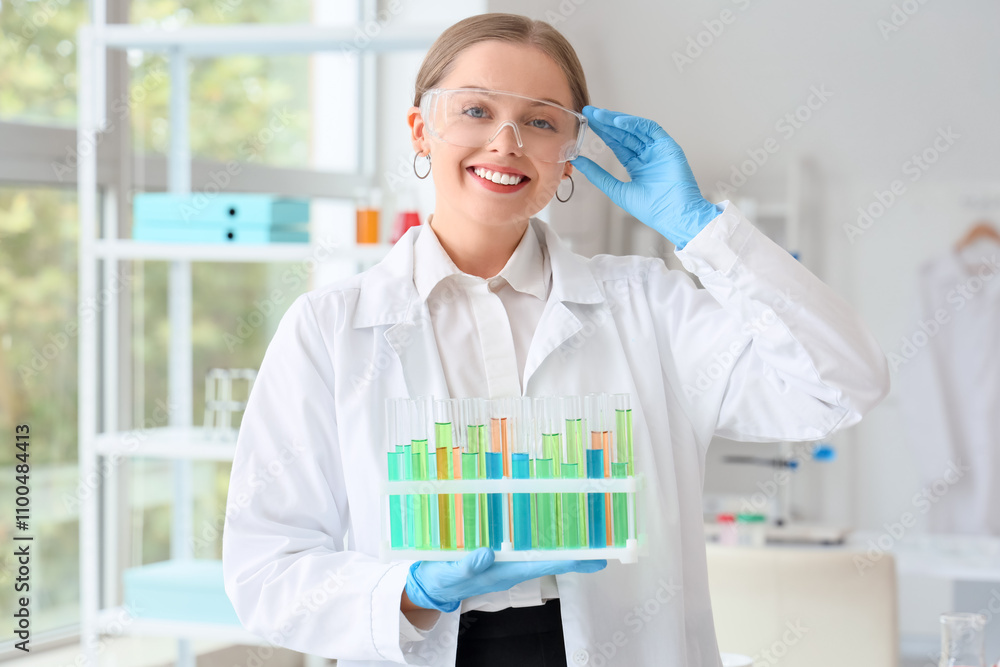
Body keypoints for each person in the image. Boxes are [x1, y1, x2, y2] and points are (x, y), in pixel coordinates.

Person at [222, 12, 890, 667]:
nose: (507, 142)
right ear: (421, 131)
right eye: (476, 111)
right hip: (420, 640)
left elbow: (841, 384)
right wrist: (410, 591)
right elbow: (265, 568)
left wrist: (703, 231)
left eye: (541, 121)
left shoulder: (647, 305)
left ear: (568, 155)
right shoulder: (331, 329)